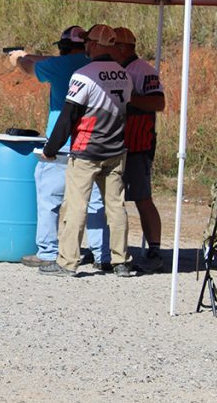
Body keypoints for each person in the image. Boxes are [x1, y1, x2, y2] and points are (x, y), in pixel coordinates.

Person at [10, 26, 110, 271]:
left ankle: (48, 251)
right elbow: (52, 60)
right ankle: (102, 254)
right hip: (93, 141)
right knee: (96, 201)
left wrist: (18, 58)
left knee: (49, 198)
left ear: (63, 48)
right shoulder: (95, 65)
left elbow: (30, 69)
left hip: (61, 142)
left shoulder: (58, 66)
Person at [39, 24, 135, 277]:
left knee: (75, 206)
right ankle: (121, 261)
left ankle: (67, 262)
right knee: (116, 207)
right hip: (115, 149)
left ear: (92, 45)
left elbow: (69, 115)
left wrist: (51, 149)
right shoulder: (124, 74)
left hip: (86, 150)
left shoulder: (84, 75)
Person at [113, 27, 166, 273]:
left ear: (123, 48)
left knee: (142, 198)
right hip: (113, 142)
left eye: (111, 46)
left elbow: (158, 102)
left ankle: (155, 249)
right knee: (110, 199)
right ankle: (110, 249)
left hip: (138, 144)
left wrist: (128, 97)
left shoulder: (142, 70)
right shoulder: (112, 69)